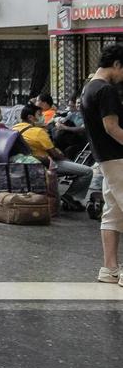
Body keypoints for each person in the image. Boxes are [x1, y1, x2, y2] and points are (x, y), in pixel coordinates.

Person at [80, 45, 123, 284]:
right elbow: (112, 127)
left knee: (113, 214)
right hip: (119, 157)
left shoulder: (89, 88)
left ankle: (109, 269)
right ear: (116, 64)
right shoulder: (106, 90)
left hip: (105, 159)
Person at [12, 104, 93, 211]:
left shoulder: (14, 128)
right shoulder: (38, 132)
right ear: (30, 117)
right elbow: (55, 154)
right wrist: (65, 159)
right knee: (87, 171)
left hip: (26, 163)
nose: (42, 117)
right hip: (46, 163)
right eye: (39, 114)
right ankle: (71, 196)